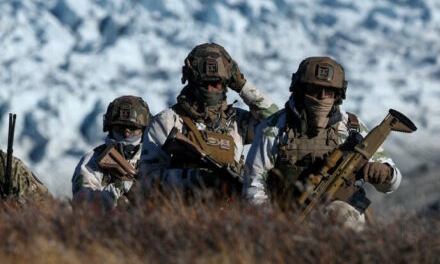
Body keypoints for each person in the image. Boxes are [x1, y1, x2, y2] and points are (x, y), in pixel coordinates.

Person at [243, 56, 401, 228]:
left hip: (341, 217)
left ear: (338, 95)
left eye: (329, 92)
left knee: (345, 217)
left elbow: (393, 183)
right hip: (288, 218)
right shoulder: (274, 128)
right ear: (300, 90)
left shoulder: (351, 127)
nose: (322, 97)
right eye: (314, 90)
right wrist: (272, 224)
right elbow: (254, 185)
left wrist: (385, 173)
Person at [139, 43, 278, 198]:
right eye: (204, 83)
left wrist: (242, 86)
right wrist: (195, 178)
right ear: (192, 81)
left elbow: (275, 122)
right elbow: (147, 180)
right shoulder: (167, 121)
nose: (211, 89)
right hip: (182, 213)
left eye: (216, 83)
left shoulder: (238, 122)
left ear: (226, 84)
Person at [72, 95, 150, 207]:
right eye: (120, 128)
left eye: (133, 129)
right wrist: (118, 189)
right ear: (110, 128)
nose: (127, 134)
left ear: (144, 130)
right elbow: (83, 205)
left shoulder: (153, 156)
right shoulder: (92, 161)